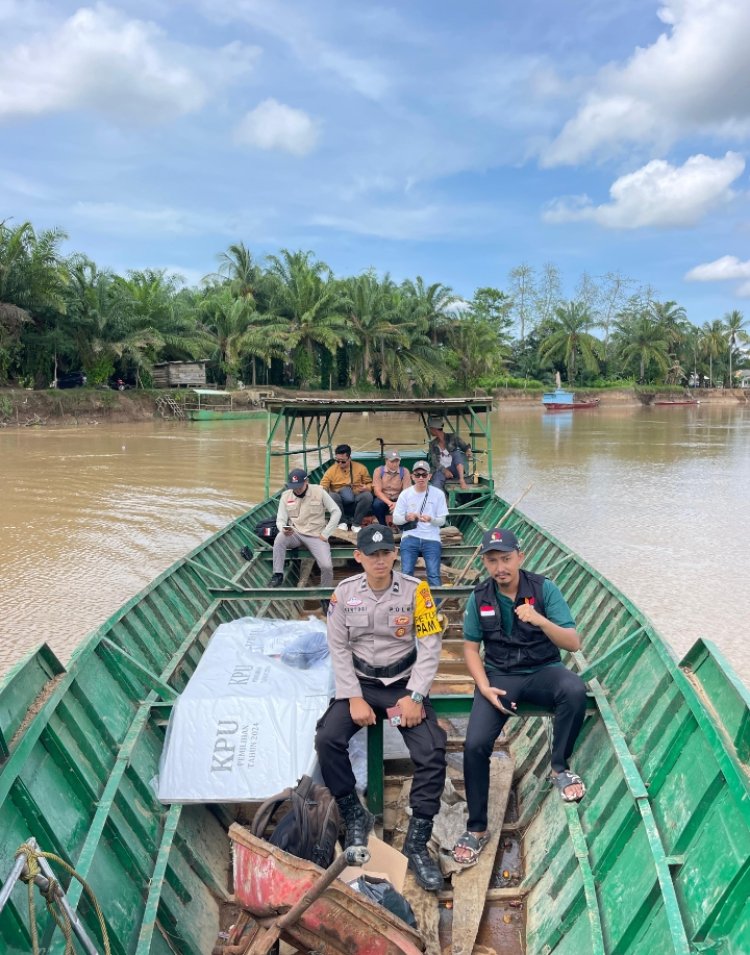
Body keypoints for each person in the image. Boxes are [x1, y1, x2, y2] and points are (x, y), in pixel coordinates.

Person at [315, 524, 447, 891]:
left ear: (394, 554)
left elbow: (431, 644)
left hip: (403, 685)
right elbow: (338, 648)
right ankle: (354, 812)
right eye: (371, 554)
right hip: (360, 685)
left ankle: (417, 844)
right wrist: (352, 695)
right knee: (327, 738)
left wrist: (416, 696)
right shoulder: (343, 595)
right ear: (358, 557)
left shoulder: (416, 591)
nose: (379, 560)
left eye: (385, 553)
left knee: (432, 750)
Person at [452, 528, 587, 866]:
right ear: (485, 562)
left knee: (574, 689)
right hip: (499, 678)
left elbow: (573, 642)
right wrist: (483, 686)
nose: (501, 567)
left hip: (543, 671)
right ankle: (477, 827)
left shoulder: (544, 589)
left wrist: (540, 619)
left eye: (506, 559)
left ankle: (558, 767)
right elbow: (470, 648)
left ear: (520, 557)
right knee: (474, 745)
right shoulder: (479, 597)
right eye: (493, 560)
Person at [270, 469, 341, 613]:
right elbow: (281, 519)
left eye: (299, 486)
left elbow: (336, 511)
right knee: (279, 540)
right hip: (295, 532)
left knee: (326, 566)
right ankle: (278, 574)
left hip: (316, 535)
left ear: (306, 482)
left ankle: (325, 594)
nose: (296, 489)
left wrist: (326, 533)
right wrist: (283, 528)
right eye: (293, 486)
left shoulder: (319, 491)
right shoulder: (286, 496)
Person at [392, 461, 448, 588]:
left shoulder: (438, 494)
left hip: (432, 538)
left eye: (424, 474)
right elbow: (396, 519)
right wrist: (408, 517)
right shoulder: (405, 494)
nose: (421, 478)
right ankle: (407, 605)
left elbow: (441, 521)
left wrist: (431, 519)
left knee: (434, 574)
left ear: (429, 476)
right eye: (417, 475)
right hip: (410, 536)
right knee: (406, 573)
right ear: (412, 476)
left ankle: (435, 606)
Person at [320, 444, 374, 533]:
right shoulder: (331, 471)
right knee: (332, 496)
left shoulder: (361, 468)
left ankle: (356, 524)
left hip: (356, 500)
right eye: (337, 461)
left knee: (367, 496)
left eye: (343, 461)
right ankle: (342, 522)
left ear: (349, 458)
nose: (340, 463)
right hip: (338, 503)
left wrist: (366, 487)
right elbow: (323, 486)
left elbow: (370, 483)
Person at [427, 416, 472, 491]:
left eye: (430, 429)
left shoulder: (453, 437)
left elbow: (465, 447)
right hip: (440, 470)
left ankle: (461, 479)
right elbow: (435, 462)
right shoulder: (432, 444)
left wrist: (468, 451)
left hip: (455, 469)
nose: (429, 430)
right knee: (436, 484)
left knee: (456, 453)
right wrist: (445, 471)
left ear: (434, 429)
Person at [372, 450, 411, 525]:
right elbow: (377, 491)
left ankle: (402, 526)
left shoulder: (405, 471)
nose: (395, 464)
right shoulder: (378, 471)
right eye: (392, 461)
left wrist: (397, 503)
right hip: (384, 499)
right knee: (377, 505)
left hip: (399, 498)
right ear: (386, 461)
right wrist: (391, 503)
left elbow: (406, 492)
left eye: (397, 461)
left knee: (408, 504)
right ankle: (382, 525)